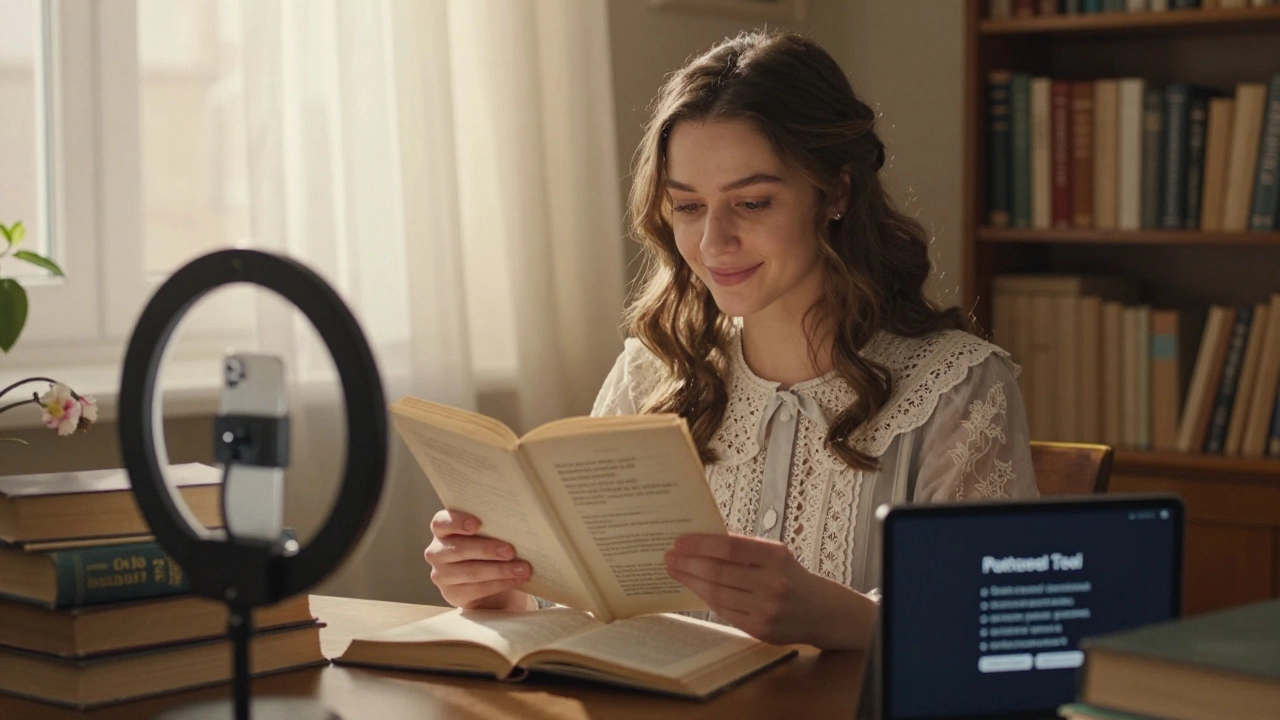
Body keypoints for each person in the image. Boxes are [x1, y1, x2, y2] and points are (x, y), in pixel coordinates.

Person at [423, 29, 1038, 650]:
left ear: (838, 193)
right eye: (688, 207)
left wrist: (846, 618)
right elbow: (595, 601)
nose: (714, 244)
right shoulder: (650, 373)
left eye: (751, 203)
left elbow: (994, 628)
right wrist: (510, 590)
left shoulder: (955, 386)